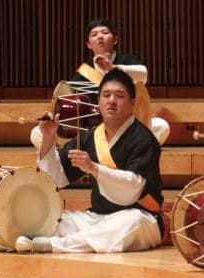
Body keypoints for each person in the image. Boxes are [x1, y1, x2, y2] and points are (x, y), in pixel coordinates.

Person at [16, 69, 164, 253]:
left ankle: (55, 244)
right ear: (99, 102)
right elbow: (55, 178)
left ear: (132, 103)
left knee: (129, 223)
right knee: (57, 218)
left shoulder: (143, 139)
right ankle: (50, 239)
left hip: (139, 216)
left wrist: (94, 168)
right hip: (97, 217)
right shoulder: (90, 137)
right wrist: (48, 139)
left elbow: (133, 189)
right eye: (106, 95)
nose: (111, 100)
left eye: (119, 96)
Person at [30, 18, 169, 147]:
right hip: (92, 130)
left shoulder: (128, 60)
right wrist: (56, 114)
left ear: (115, 39)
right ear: (88, 44)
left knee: (161, 126)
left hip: (125, 125)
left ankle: (122, 149)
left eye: (105, 32)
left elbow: (143, 76)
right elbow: (70, 100)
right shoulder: (84, 71)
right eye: (94, 34)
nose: (100, 37)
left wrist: (112, 69)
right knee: (37, 133)